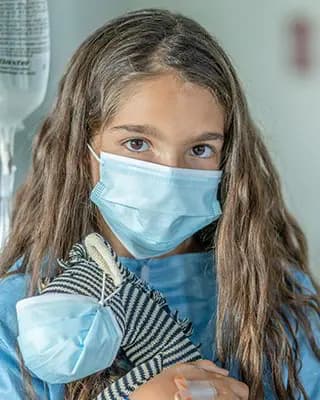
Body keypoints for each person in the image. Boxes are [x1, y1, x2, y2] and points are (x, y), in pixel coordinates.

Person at [0, 7, 319, 400]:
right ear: (83, 149)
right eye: (137, 144)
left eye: (200, 149)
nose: (169, 176)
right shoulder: (22, 312)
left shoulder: (274, 300)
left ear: (229, 155)